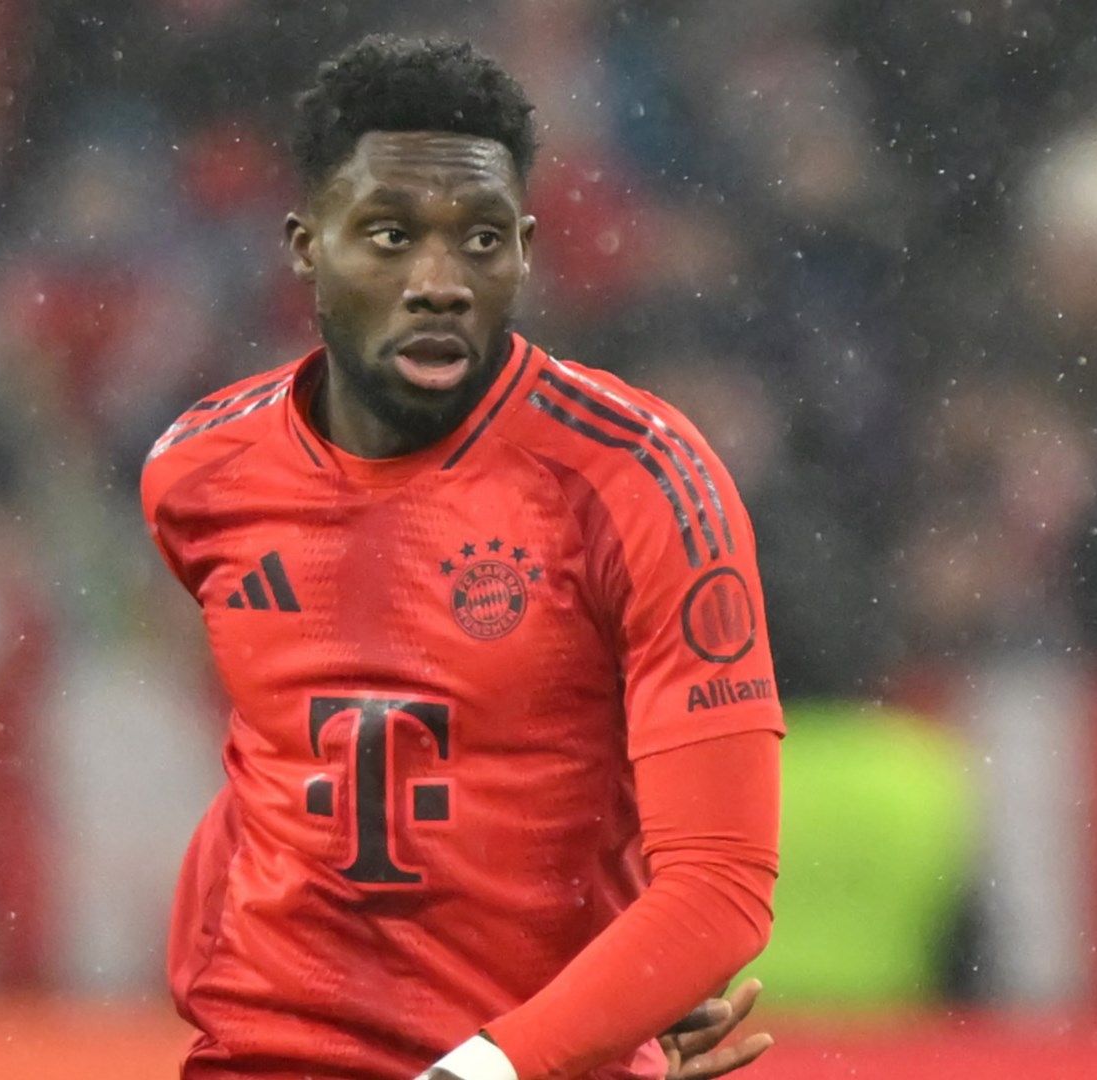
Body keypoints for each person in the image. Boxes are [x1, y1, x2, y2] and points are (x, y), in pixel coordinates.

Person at [141, 37, 783, 1080]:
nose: (438, 283)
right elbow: (274, 765)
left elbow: (720, 890)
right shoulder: (198, 473)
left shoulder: (643, 481)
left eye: (481, 239)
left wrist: (531, 1046)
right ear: (306, 245)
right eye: (390, 235)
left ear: (525, 251)